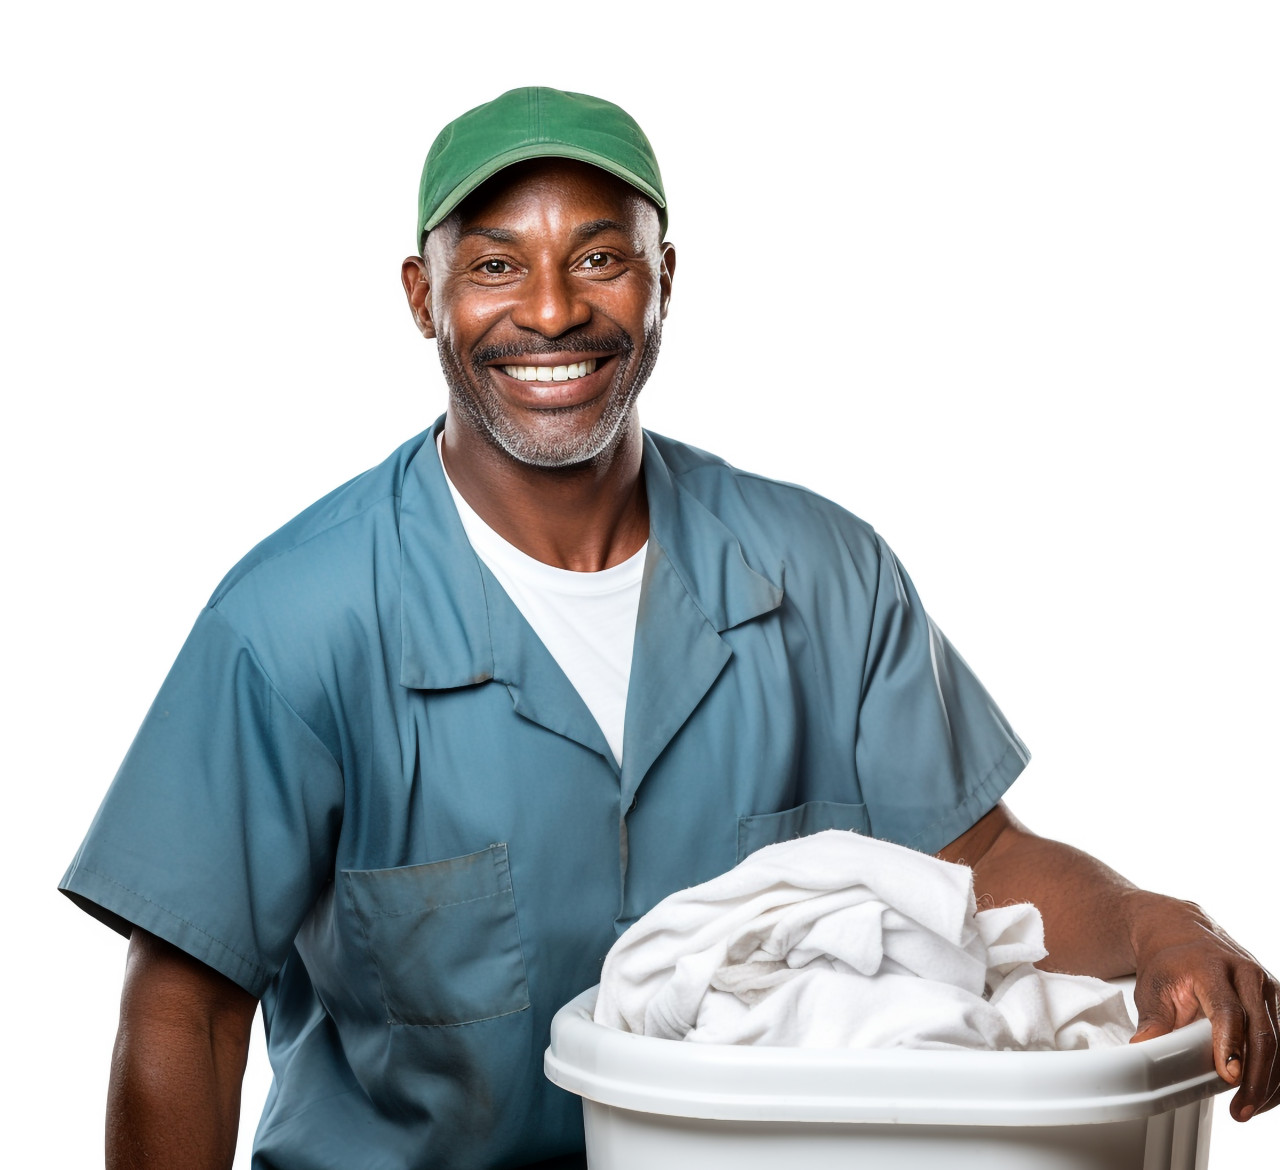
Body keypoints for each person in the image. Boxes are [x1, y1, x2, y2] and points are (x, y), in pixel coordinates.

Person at [61, 86, 1277, 1170]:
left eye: (599, 258)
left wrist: (1160, 925)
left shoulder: (819, 572)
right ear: (418, 294)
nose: (550, 310)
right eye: (494, 266)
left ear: (663, 279)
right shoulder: (293, 621)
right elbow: (187, 1004)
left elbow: (979, 867)